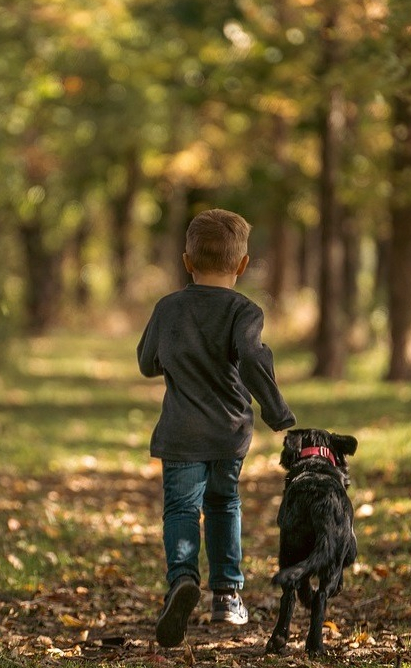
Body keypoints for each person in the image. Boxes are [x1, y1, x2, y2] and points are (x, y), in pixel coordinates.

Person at [137, 208, 297, 648]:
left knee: (182, 510)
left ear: (187, 261)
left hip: (180, 434)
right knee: (225, 503)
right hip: (229, 434)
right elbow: (253, 361)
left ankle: (182, 581)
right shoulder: (244, 311)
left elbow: (147, 362)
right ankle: (227, 594)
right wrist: (279, 412)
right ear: (242, 265)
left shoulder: (168, 308)